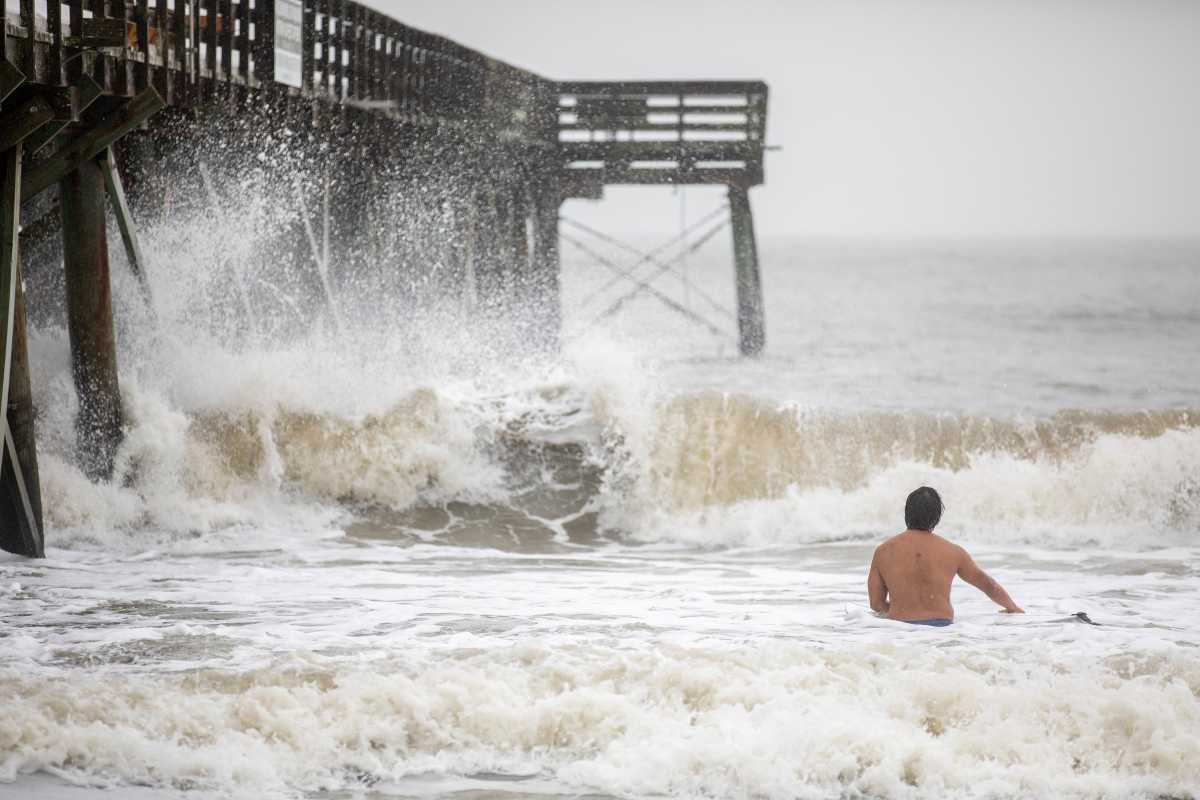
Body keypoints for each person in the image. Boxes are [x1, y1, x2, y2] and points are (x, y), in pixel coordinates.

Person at [867, 486, 1023, 626]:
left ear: (907, 512)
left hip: (900, 630)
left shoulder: (883, 551)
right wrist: (1012, 607)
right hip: (941, 630)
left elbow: (876, 604)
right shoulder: (953, 552)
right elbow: (988, 585)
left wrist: (902, 610)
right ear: (937, 516)